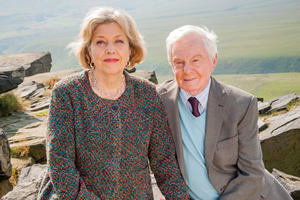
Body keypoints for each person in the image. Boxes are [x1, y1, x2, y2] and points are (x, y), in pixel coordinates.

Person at [38, 7, 188, 199]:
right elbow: (60, 164)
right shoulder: (67, 93)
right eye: (100, 42)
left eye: (119, 41)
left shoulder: (148, 94)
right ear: (88, 50)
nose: (110, 49)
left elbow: (164, 163)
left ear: (131, 49)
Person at [157, 25, 292, 200]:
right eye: (179, 62)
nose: (187, 70)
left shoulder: (242, 104)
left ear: (213, 61)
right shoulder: (159, 100)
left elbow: (252, 175)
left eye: (196, 60)